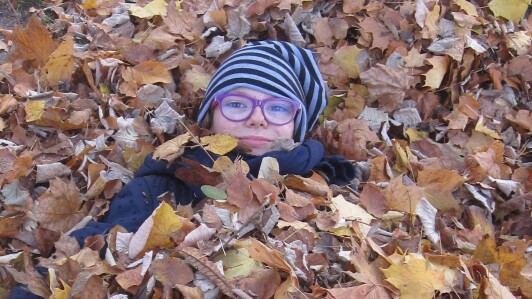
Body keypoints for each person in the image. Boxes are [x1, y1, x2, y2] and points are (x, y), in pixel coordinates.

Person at [8, 41, 355, 298]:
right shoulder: (171, 177)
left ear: (299, 124)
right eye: (236, 103)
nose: (257, 116)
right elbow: (108, 241)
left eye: (277, 107)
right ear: (209, 117)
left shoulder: (329, 181)